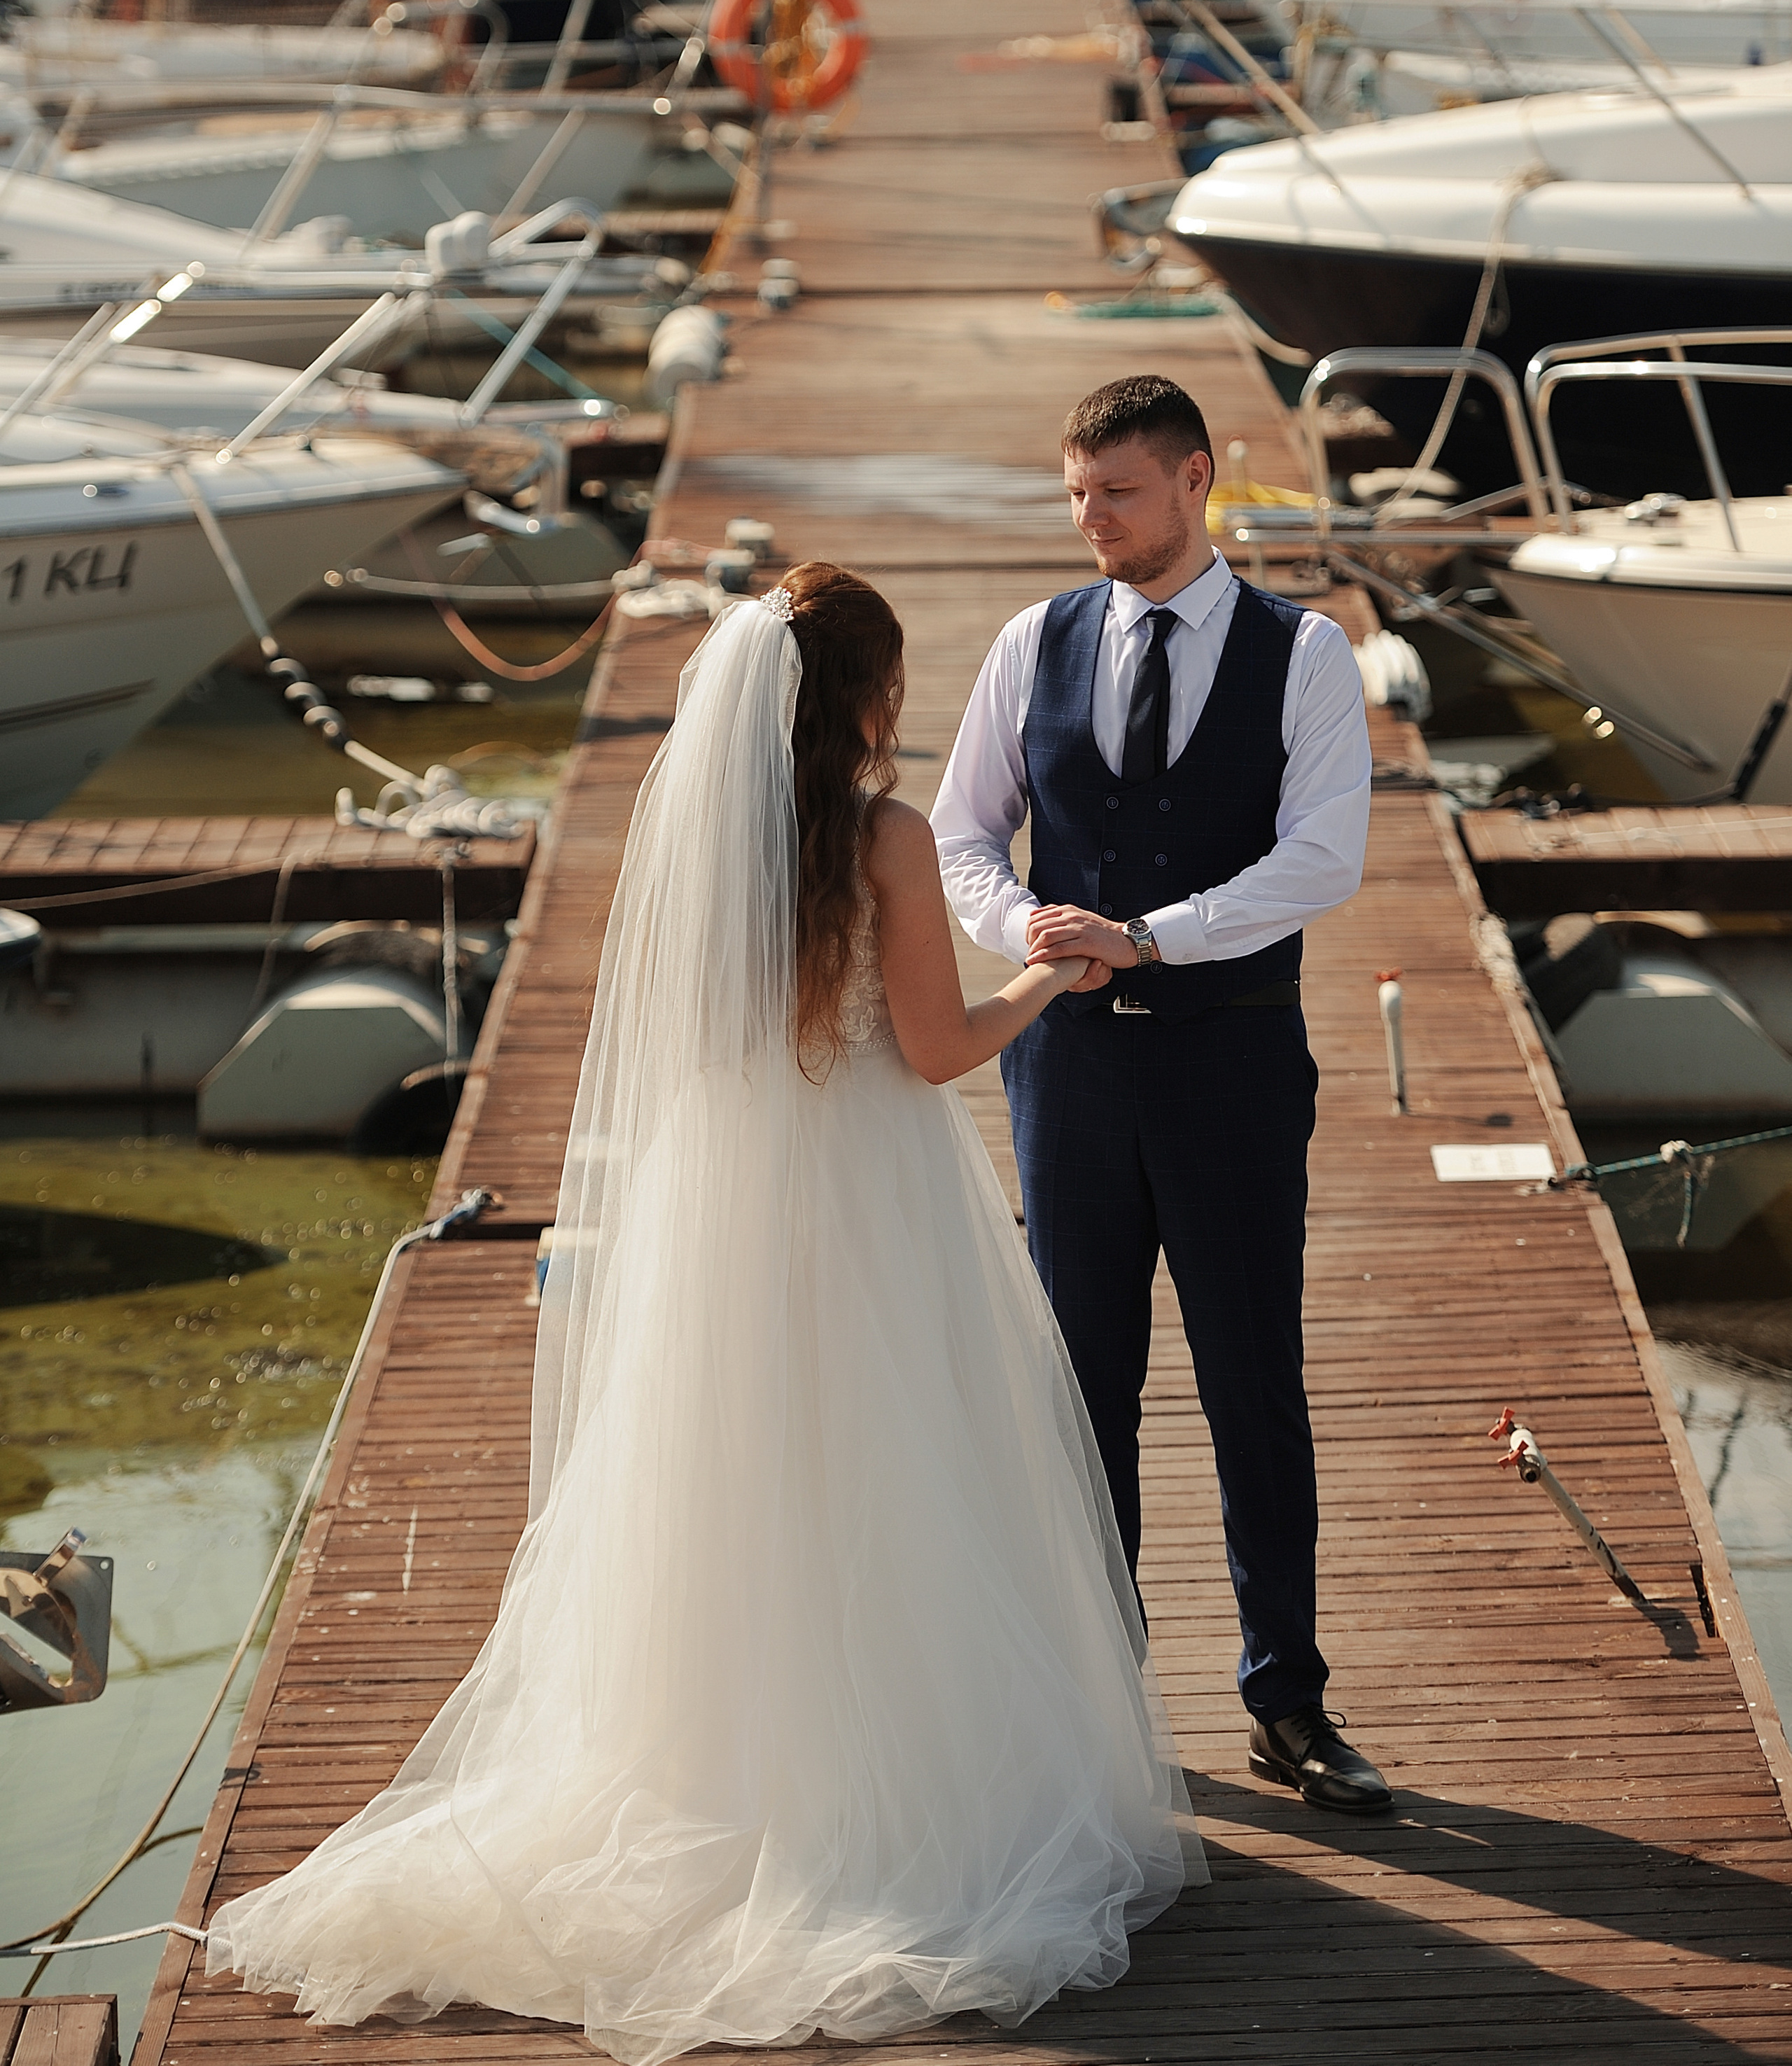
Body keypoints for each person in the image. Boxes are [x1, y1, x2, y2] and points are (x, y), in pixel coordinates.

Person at [207, 562, 1200, 2066]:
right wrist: (1052, 973)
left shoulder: (694, 835)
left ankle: (721, 1776)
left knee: (726, 1483)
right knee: (889, 1470)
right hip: (869, 1188)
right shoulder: (884, 837)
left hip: (723, 1194)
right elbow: (932, 1049)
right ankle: (880, 1803)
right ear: (865, 699)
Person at [931, 375, 1391, 1817]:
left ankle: (1285, 1702)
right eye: (1075, 496)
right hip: (1066, 1072)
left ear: (1195, 479)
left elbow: (1322, 858)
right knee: (1081, 1391)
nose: (1091, 522)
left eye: (1115, 494)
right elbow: (958, 835)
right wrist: (1025, 931)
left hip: (1231, 1059)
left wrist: (1150, 935)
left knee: (1252, 1382)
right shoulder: (1032, 640)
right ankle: (1094, 1708)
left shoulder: (1304, 653)